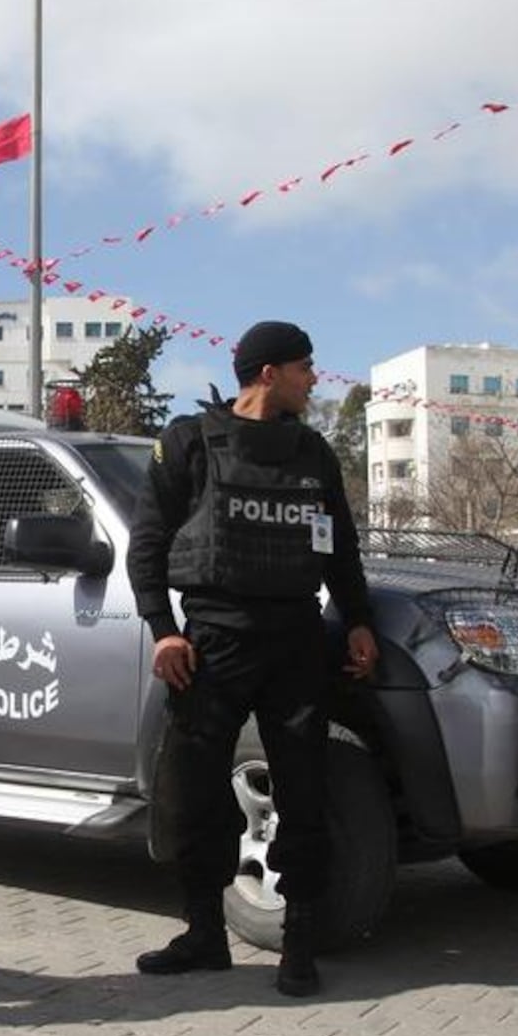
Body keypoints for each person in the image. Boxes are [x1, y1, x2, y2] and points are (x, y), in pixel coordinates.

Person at [127, 320, 379, 997]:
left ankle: (299, 943)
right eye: (305, 367)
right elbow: (146, 544)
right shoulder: (188, 442)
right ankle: (204, 933)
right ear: (267, 373)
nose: (314, 379)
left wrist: (357, 620)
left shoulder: (312, 451)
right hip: (212, 640)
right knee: (195, 792)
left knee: (304, 790)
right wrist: (163, 630)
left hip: (295, 637)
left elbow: (341, 547)